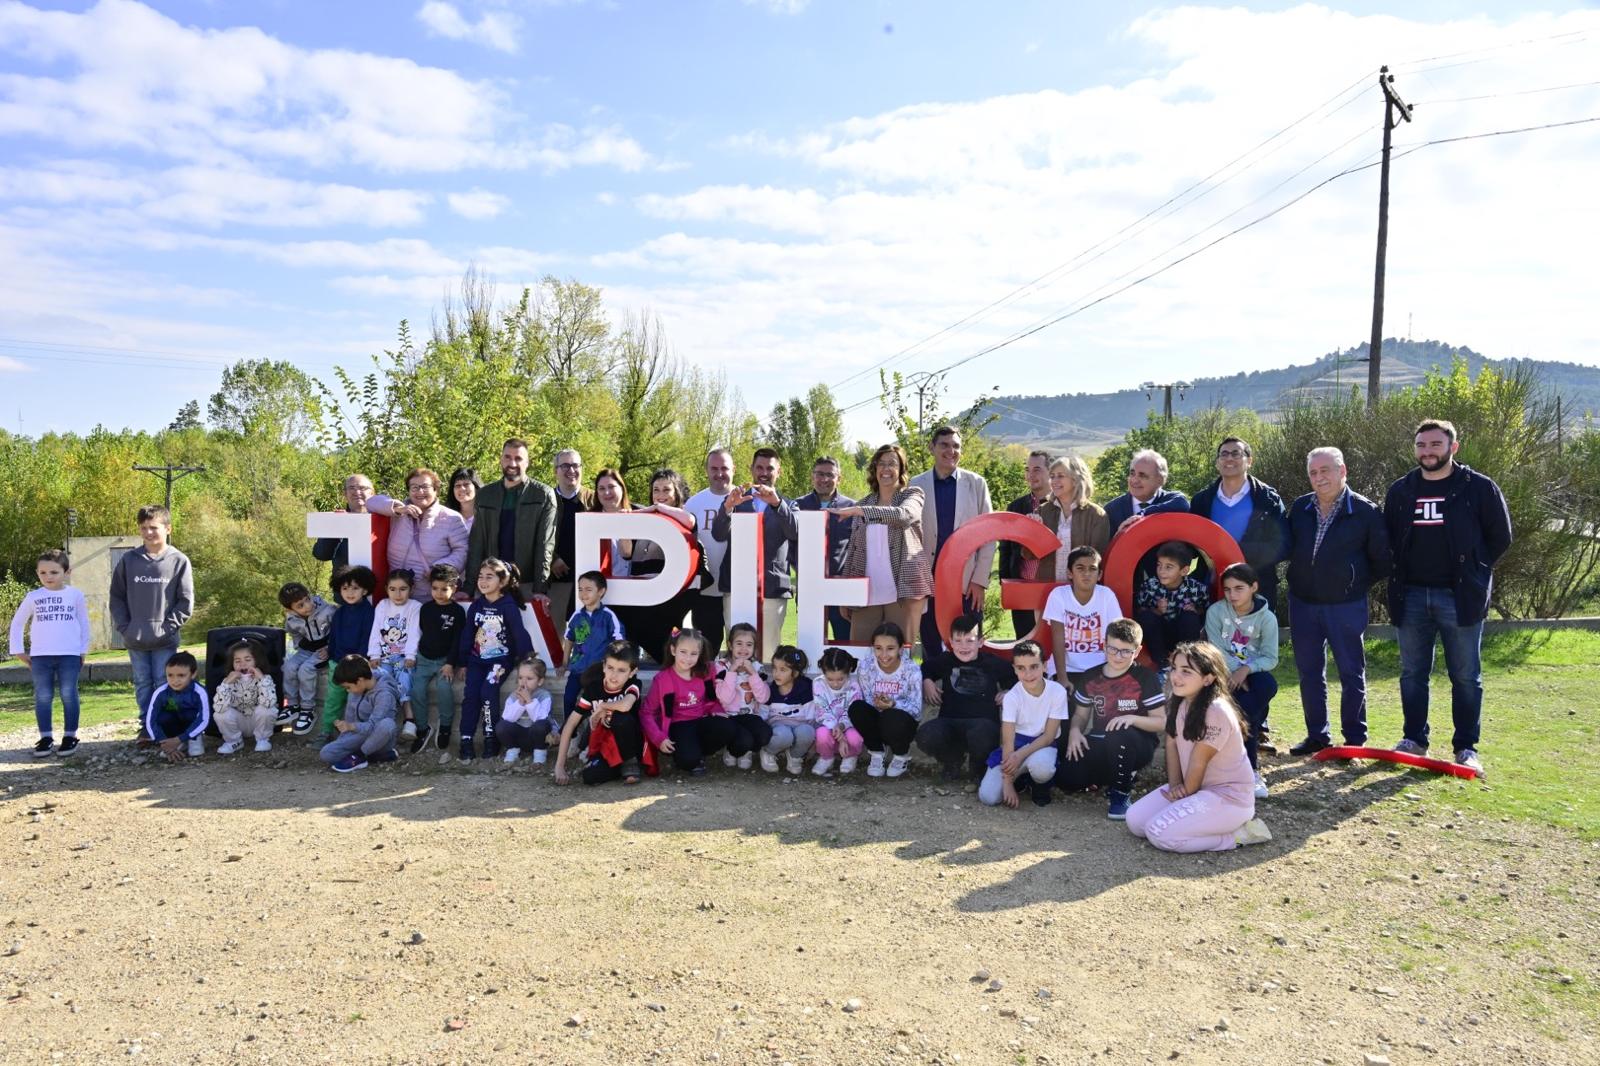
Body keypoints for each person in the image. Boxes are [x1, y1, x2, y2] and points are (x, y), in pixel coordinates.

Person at [1384, 419, 1513, 775]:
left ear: (1453, 447)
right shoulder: (1401, 490)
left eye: (1435, 445)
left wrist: (1475, 570)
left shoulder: (1478, 488)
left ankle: (1466, 747)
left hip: (1459, 597)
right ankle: (1414, 739)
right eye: (1422, 445)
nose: (1428, 452)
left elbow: (1500, 536)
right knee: (1412, 673)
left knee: (1465, 675)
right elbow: (1390, 539)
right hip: (1410, 595)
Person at [1285, 447, 1390, 757]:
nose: (1319, 478)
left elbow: (1382, 560)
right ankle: (1317, 735)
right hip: (1303, 603)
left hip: (1346, 605)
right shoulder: (1301, 508)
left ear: (1342, 471)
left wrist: (1352, 584)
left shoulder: (1365, 511)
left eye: (1325, 470)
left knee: (1350, 671)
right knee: (1309, 672)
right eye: (1313, 473)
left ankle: (1355, 739)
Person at [1125, 642, 1271, 852]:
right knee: (1135, 821)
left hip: (1228, 798)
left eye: (1186, 671)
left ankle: (1236, 836)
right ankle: (1196, 821)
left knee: (1158, 833)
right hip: (1196, 789)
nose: (1176, 676)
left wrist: (1185, 792)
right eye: (1174, 668)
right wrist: (1176, 787)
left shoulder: (1216, 710)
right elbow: (1172, 744)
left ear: (1208, 679)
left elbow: (1199, 759)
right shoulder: (1179, 700)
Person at [1057, 618, 1166, 819]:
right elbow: (1081, 715)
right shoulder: (1091, 676)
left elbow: (1161, 721)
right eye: (1113, 649)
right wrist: (1074, 731)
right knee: (1068, 778)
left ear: (1138, 651)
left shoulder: (1145, 678)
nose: (1118, 656)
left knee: (1120, 734)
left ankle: (1120, 794)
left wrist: (1132, 719)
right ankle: (1110, 777)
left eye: (1126, 651)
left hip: (1137, 743)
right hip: (1100, 740)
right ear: (1104, 646)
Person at [910, 426, 994, 657]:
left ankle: (968, 691)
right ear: (932, 448)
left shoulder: (976, 484)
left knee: (968, 644)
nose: (951, 450)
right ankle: (934, 691)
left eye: (956, 446)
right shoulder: (915, 485)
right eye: (944, 445)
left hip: (967, 584)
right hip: (927, 581)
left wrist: (980, 581)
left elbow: (989, 535)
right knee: (931, 644)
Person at [837, 444, 932, 644]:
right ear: (875, 469)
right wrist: (846, 592)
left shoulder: (912, 495)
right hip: (867, 592)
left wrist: (862, 511)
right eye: (881, 464)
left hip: (901, 590)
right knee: (859, 652)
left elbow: (905, 516)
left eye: (892, 464)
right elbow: (852, 551)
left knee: (899, 653)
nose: (886, 469)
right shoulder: (864, 502)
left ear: (901, 470)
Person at [110, 504, 193, 731]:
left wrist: (168, 627)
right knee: (142, 683)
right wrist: (125, 627)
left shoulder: (179, 561)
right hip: (135, 638)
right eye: (144, 528)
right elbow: (116, 597)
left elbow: (185, 601)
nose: (148, 532)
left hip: (164, 640)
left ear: (168, 528)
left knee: (164, 682)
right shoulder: (129, 560)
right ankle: (147, 725)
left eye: (153, 527)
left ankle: (165, 725)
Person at [711, 448, 799, 660]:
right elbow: (718, 534)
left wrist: (777, 504)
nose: (764, 472)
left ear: (779, 471)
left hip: (771, 588)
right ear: (751, 469)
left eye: (769, 468)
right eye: (759, 467)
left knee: (768, 653)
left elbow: (794, 532)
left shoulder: (789, 504)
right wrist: (728, 508)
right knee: (738, 651)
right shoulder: (737, 500)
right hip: (736, 586)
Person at [1205, 562, 1280, 798]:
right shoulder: (1216, 612)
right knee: (1250, 714)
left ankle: (1246, 770)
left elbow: (1270, 658)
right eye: (1227, 589)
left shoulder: (1266, 618)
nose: (1232, 595)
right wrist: (1235, 671)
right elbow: (1215, 649)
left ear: (1253, 587)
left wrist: (1246, 670)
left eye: (1239, 588)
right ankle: (1249, 771)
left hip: (1253, 674)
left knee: (1266, 687)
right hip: (1222, 672)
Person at [1189, 438, 1290, 608]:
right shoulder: (1201, 501)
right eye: (1224, 454)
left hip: (1257, 588)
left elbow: (1284, 545)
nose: (1229, 458)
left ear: (1249, 461)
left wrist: (1235, 551)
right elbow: (1190, 544)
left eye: (1236, 453)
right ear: (1217, 463)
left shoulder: (1268, 499)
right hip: (1212, 588)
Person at [619, 468, 708, 665]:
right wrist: (625, 523)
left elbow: (691, 521)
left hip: (670, 594)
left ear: (677, 493)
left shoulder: (682, 517)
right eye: (656, 490)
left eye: (666, 490)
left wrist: (655, 509)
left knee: (662, 640)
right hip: (640, 590)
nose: (660, 496)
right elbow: (626, 553)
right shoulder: (644, 518)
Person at [10, 549, 91, 758]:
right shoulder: (33, 597)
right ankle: (46, 737)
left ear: (66, 572)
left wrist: (83, 651)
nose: (48, 577)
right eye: (43, 573)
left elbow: (84, 623)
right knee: (43, 696)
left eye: (54, 572)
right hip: (40, 656)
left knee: (68, 693)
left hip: (69, 655)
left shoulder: (75, 595)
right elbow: (18, 623)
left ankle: (70, 736)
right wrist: (19, 651)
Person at [915, 612, 1013, 782]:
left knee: (982, 734)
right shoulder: (946, 660)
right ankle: (952, 761)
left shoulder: (991, 663)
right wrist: (927, 681)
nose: (964, 646)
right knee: (926, 735)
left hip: (983, 723)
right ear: (951, 642)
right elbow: (924, 668)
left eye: (970, 640)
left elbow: (1015, 676)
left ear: (981, 642)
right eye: (958, 641)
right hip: (951, 722)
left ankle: (978, 767)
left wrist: (1007, 692)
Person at [453, 557, 532, 762]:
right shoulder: (476, 606)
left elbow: (519, 633)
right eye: (480, 576)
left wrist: (527, 658)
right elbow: (468, 634)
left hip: (499, 662)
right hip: (476, 661)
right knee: (471, 695)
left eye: (490, 576)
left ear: (503, 582)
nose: (483, 581)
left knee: (488, 692)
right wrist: (462, 662)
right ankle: (466, 739)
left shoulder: (508, 606)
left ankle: (491, 738)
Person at [465, 438, 557, 607]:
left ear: (527, 463)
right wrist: (468, 588)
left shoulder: (543, 495)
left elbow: (545, 545)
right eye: (507, 457)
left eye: (518, 458)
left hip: (526, 584)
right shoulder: (485, 495)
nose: (512, 463)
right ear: (501, 459)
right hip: (490, 584)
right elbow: (477, 543)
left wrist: (540, 589)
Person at [977, 640, 1068, 809]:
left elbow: (1048, 737)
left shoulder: (1057, 692)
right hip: (1014, 747)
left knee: (1042, 768)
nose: (1028, 674)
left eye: (1034, 666)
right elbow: (1008, 740)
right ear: (1014, 669)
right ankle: (1019, 779)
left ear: (1045, 666)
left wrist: (1019, 756)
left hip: (1041, 745)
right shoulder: (1012, 697)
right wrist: (1007, 782)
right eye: (1021, 668)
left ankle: (1039, 784)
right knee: (988, 797)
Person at [642, 628, 731, 776]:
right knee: (687, 761)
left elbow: (713, 698)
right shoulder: (662, 679)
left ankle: (699, 752)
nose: (688, 658)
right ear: (673, 650)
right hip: (678, 724)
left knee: (727, 728)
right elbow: (646, 712)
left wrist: (717, 711)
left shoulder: (707, 672)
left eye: (694, 654)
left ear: (700, 654)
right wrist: (659, 738)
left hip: (701, 719)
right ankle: (690, 754)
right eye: (683, 652)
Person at [1026, 455, 1111, 601]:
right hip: (1047, 591)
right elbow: (1028, 555)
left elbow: (1098, 560)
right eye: (1052, 476)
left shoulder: (1096, 515)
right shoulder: (1041, 511)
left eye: (1060, 476)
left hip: (1082, 594)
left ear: (1076, 479)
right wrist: (1031, 531)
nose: (1054, 481)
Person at [1040, 545, 1123, 690]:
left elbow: (1116, 635)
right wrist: (1062, 678)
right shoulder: (1059, 595)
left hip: (1100, 667)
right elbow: (1058, 638)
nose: (1087, 573)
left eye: (1092, 569)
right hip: (1067, 669)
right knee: (1068, 707)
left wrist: (1113, 674)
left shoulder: (1106, 595)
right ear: (1070, 573)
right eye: (1080, 568)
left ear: (1099, 575)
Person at [849, 621, 923, 778]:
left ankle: (900, 755)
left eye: (890, 649)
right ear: (872, 648)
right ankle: (877, 752)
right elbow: (867, 697)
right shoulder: (866, 667)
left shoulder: (912, 670)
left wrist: (893, 704)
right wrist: (877, 704)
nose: (883, 655)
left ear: (901, 649)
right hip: (878, 717)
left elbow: (917, 710)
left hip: (901, 722)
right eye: (878, 648)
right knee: (856, 708)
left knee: (892, 716)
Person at [365, 468, 470, 576]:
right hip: (397, 589)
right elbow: (370, 502)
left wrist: (439, 570)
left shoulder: (452, 518)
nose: (420, 492)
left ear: (435, 489)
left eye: (425, 487)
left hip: (431, 589)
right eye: (414, 487)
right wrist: (398, 508)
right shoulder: (398, 513)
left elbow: (462, 551)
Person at [796, 456, 856, 642]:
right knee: (810, 643)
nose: (824, 479)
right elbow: (790, 545)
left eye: (830, 475)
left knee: (844, 643)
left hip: (840, 590)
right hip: (809, 588)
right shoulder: (798, 506)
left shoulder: (851, 508)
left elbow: (856, 547)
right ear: (812, 477)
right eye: (819, 474)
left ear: (839, 478)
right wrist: (800, 569)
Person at [571, 640, 647, 786]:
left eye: (621, 670)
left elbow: (625, 705)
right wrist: (559, 766)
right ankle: (617, 767)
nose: (614, 675)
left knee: (620, 717)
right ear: (604, 666)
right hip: (606, 747)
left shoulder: (633, 684)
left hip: (630, 743)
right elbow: (571, 723)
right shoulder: (593, 689)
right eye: (610, 667)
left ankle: (630, 763)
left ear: (632, 672)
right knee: (590, 776)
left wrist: (603, 707)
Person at [315, 565, 376, 740]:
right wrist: (330, 652)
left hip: (357, 665)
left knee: (355, 701)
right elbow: (334, 636)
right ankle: (326, 731)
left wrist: (360, 660)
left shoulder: (369, 612)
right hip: (337, 662)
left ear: (364, 590)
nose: (350, 593)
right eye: (345, 588)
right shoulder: (339, 612)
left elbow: (367, 638)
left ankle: (353, 733)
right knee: (333, 699)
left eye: (355, 588)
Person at [685, 447, 736, 656]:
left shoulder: (746, 501)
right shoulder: (694, 504)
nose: (719, 473)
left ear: (734, 469)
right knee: (707, 653)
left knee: (740, 650)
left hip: (736, 589)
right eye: (714, 468)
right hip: (705, 591)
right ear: (707, 470)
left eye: (724, 468)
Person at [412, 564, 466, 757]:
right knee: (416, 690)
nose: (439, 593)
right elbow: (419, 633)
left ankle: (444, 726)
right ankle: (421, 728)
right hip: (424, 659)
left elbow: (457, 640)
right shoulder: (425, 609)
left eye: (444, 589)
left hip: (445, 662)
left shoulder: (458, 612)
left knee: (444, 690)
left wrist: (451, 663)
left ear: (454, 588)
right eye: (435, 588)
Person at [1001, 450, 1053, 637]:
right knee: (1024, 643)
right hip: (1022, 587)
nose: (1031, 475)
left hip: (1052, 587)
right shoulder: (1016, 507)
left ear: (1050, 471)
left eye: (1037, 469)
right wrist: (1005, 583)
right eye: (1027, 469)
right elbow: (1005, 548)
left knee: (1052, 642)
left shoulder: (1062, 506)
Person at [319, 655, 400, 774]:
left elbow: (374, 726)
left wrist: (351, 726)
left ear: (360, 680)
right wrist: (345, 729)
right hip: (360, 737)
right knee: (326, 753)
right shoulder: (355, 690)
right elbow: (350, 721)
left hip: (379, 739)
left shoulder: (384, 694)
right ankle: (374, 757)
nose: (347, 691)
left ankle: (360, 756)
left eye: (348, 687)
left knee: (387, 724)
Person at [1133, 541, 1209, 668]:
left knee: (1190, 618)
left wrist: (1195, 610)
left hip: (1183, 633)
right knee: (1147, 617)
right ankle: (1162, 663)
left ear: (1184, 571)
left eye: (1169, 567)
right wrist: (1157, 610)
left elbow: (1205, 610)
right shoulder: (1150, 586)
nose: (1162, 571)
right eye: (1159, 565)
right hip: (1159, 635)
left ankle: (1186, 660)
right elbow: (1140, 611)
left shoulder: (1196, 588)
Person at [562, 570, 626, 721]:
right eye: (580, 589)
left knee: (595, 704)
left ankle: (594, 734)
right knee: (568, 700)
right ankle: (571, 734)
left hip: (599, 672)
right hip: (577, 669)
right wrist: (565, 663)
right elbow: (569, 638)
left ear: (601, 591)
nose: (583, 593)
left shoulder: (608, 616)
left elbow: (619, 642)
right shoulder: (576, 616)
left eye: (589, 589)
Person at [367, 568, 422, 739]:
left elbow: (414, 632)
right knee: (383, 683)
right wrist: (374, 654)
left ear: (411, 589)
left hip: (404, 657)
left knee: (404, 680)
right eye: (393, 589)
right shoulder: (383, 605)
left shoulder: (415, 607)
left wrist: (411, 655)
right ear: (386, 590)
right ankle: (386, 722)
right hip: (383, 657)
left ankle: (409, 720)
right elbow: (376, 630)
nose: (397, 594)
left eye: (403, 589)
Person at [714, 621, 773, 770]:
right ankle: (733, 750)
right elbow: (725, 699)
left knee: (765, 734)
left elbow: (763, 698)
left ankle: (746, 750)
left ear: (754, 647)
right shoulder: (721, 666)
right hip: (727, 717)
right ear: (730, 645)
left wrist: (752, 674)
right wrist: (732, 672)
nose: (743, 649)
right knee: (742, 740)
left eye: (749, 644)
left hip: (750, 715)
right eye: (739, 643)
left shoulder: (757, 668)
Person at [279, 582, 334, 737]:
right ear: (290, 609)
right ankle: (292, 705)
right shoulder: (291, 619)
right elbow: (294, 634)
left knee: (306, 669)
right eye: (300, 605)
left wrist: (330, 648)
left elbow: (338, 631)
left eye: (307, 599)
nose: (308, 606)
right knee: (289, 666)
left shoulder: (327, 611)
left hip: (325, 649)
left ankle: (308, 709)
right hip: (307, 649)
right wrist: (299, 646)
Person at [548, 449, 592, 630]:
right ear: (556, 471)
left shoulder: (594, 498)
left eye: (575, 465)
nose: (571, 470)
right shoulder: (545, 499)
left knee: (585, 633)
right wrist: (552, 558)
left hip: (588, 579)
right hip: (557, 578)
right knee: (556, 632)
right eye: (565, 466)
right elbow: (533, 536)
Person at [1103, 449, 1190, 536]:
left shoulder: (1170, 500)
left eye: (1142, 475)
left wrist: (1143, 514)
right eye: (1132, 473)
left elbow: (1183, 503)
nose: (1134, 480)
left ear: (1160, 480)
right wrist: (1118, 537)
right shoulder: (1112, 509)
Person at [213, 639, 277, 755]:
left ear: (257, 661)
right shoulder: (227, 681)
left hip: (257, 722)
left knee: (267, 710)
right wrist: (226, 684)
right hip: (238, 722)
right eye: (237, 661)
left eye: (248, 660)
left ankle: (263, 740)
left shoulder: (265, 679)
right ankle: (234, 741)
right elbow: (218, 708)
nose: (242, 664)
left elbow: (269, 703)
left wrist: (261, 679)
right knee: (220, 714)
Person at [143, 651, 208, 763]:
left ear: (193, 674)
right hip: (172, 730)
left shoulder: (200, 692)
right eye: (170, 675)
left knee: (196, 752)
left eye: (181, 675)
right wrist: (162, 742)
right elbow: (150, 721)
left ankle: (193, 739)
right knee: (163, 716)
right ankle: (171, 742)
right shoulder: (160, 692)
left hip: (190, 727)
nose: (175, 680)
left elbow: (204, 719)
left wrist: (181, 738)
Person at [762, 645, 816, 774]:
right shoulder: (770, 689)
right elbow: (763, 713)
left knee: (807, 732)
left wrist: (814, 742)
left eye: (783, 670)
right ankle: (768, 752)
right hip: (778, 727)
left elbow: (811, 715)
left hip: (799, 725)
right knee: (784, 735)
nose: (776, 673)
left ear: (795, 673)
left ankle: (795, 756)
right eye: (774, 668)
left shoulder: (805, 688)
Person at [811, 647, 864, 776]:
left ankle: (850, 756)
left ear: (848, 673)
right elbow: (822, 710)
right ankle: (826, 757)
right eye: (830, 679)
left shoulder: (854, 686)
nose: (835, 684)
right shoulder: (818, 683)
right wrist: (838, 733)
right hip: (828, 725)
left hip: (848, 726)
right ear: (823, 673)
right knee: (822, 735)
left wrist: (841, 726)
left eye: (840, 679)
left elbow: (853, 711)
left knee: (855, 738)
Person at [312, 473, 375, 570]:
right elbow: (321, 554)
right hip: (344, 582)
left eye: (362, 488)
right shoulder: (337, 519)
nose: (357, 492)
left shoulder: (384, 519)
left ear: (372, 493)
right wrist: (336, 525)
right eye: (351, 488)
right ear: (345, 494)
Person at [498, 659, 554, 765]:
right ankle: (513, 750)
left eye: (529, 678)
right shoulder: (513, 696)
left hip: (538, 737)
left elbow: (541, 718)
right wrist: (520, 703)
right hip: (520, 737)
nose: (523, 682)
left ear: (540, 681)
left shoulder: (545, 696)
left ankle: (540, 754)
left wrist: (529, 701)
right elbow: (507, 718)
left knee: (541, 725)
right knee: (501, 726)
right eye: (520, 678)